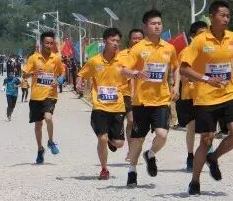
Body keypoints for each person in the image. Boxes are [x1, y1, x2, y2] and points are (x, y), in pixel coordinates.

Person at [180, 0, 233, 195]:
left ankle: (214, 157)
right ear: (212, 17)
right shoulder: (200, 41)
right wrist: (207, 79)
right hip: (205, 98)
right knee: (206, 140)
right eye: (222, 15)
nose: (226, 19)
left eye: (228, 16)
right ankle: (195, 180)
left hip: (229, 93)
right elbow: (184, 69)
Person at [120, 10, 180, 188]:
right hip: (141, 101)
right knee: (138, 139)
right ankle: (132, 171)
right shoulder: (138, 48)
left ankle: (151, 154)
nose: (157, 26)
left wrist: (176, 86)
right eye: (153, 23)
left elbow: (176, 67)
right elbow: (123, 70)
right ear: (146, 26)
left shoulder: (169, 48)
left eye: (159, 23)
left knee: (162, 134)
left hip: (162, 100)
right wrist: (136, 73)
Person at [77, 28, 127, 179]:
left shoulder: (122, 60)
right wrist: (79, 83)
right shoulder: (94, 61)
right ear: (105, 41)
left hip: (117, 106)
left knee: (119, 144)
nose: (115, 43)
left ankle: (111, 140)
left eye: (118, 41)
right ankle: (104, 169)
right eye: (113, 40)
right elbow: (81, 74)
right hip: (100, 106)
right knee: (102, 138)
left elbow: (130, 73)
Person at [22, 31, 65, 164]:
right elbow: (24, 75)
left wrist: (58, 80)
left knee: (48, 118)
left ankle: (51, 142)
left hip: (50, 95)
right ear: (41, 43)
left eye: (51, 43)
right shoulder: (33, 58)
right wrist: (33, 72)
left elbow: (62, 73)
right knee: (38, 124)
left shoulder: (56, 58)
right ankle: (40, 149)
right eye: (47, 43)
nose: (49, 45)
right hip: (36, 96)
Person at [176, 21, 209, 171]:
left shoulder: (210, 52)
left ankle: (208, 155)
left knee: (207, 127)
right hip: (190, 95)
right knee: (192, 127)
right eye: (201, 34)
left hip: (207, 94)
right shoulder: (186, 52)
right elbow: (183, 75)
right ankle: (190, 155)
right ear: (192, 37)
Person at [116, 28, 144, 162]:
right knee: (132, 120)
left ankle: (135, 149)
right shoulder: (122, 55)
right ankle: (131, 150)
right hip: (126, 93)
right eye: (134, 38)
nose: (137, 41)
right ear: (130, 40)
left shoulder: (148, 53)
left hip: (145, 93)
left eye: (140, 38)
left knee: (140, 124)